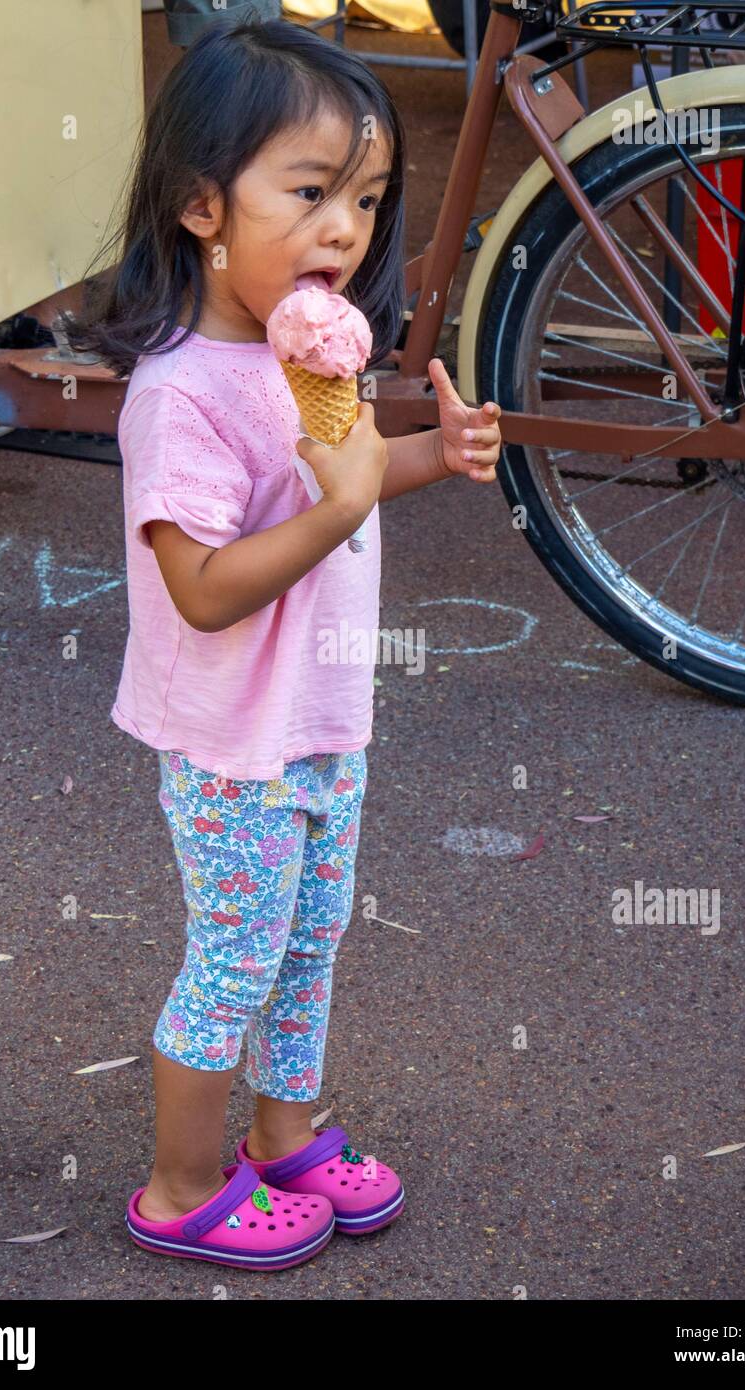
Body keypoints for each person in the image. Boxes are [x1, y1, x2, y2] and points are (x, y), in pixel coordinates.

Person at [64, 13, 502, 1272]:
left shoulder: (307, 355)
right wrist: (345, 501)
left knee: (314, 941)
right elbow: (201, 588)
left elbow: (349, 474)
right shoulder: (179, 394)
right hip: (228, 745)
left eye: (366, 199)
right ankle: (181, 1185)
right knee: (237, 960)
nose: (345, 232)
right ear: (203, 206)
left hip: (322, 719)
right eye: (309, 193)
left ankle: (287, 1134)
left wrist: (426, 454)